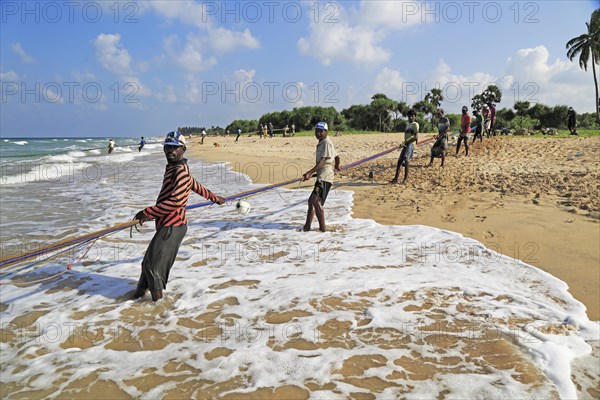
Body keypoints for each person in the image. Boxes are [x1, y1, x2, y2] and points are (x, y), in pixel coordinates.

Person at [132, 131, 226, 301]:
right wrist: (215, 198)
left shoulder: (180, 171)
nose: (170, 151)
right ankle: (134, 300)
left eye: (174, 148)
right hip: (166, 224)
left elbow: (176, 203)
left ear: (183, 149)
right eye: (167, 147)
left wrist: (147, 213)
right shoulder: (175, 168)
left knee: (153, 268)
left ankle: (158, 311)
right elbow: (195, 185)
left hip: (173, 226)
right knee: (147, 265)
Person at [302, 122, 340, 232]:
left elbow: (323, 161)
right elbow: (337, 156)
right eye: (316, 131)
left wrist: (309, 172)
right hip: (322, 175)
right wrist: (337, 166)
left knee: (316, 200)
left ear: (326, 132)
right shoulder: (323, 142)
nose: (318, 133)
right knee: (311, 201)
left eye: (321, 131)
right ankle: (307, 227)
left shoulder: (327, 142)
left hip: (325, 176)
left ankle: (323, 228)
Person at [390, 109, 419, 184]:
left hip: (411, 144)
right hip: (406, 144)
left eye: (412, 116)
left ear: (415, 117)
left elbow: (415, 137)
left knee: (406, 159)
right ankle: (395, 179)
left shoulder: (415, 124)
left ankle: (405, 179)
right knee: (399, 161)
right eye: (409, 116)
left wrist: (405, 142)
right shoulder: (407, 124)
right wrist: (404, 143)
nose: (410, 118)